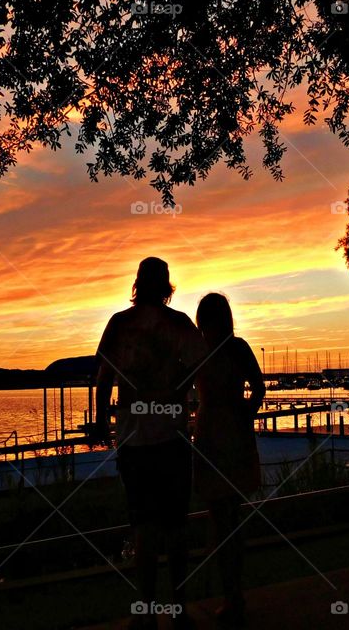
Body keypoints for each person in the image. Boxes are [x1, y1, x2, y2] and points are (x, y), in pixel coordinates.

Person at [94, 257, 206, 630]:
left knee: (142, 526)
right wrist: (180, 387)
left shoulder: (119, 324)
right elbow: (199, 366)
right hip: (172, 437)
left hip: (134, 439)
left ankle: (144, 612)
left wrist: (99, 423)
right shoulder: (179, 324)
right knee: (175, 527)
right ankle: (178, 609)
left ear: (138, 283)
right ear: (167, 285)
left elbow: (103, 378)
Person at [193, 293, 265, 627]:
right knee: (227, 517)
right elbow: (259, 389)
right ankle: (232, 593)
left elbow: (259, 388)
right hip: (224, 433)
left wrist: (246, 412)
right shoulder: (234, 348)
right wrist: (247, 412)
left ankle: (231, 594)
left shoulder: (206, 350)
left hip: (215, 432)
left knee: (224, 518)